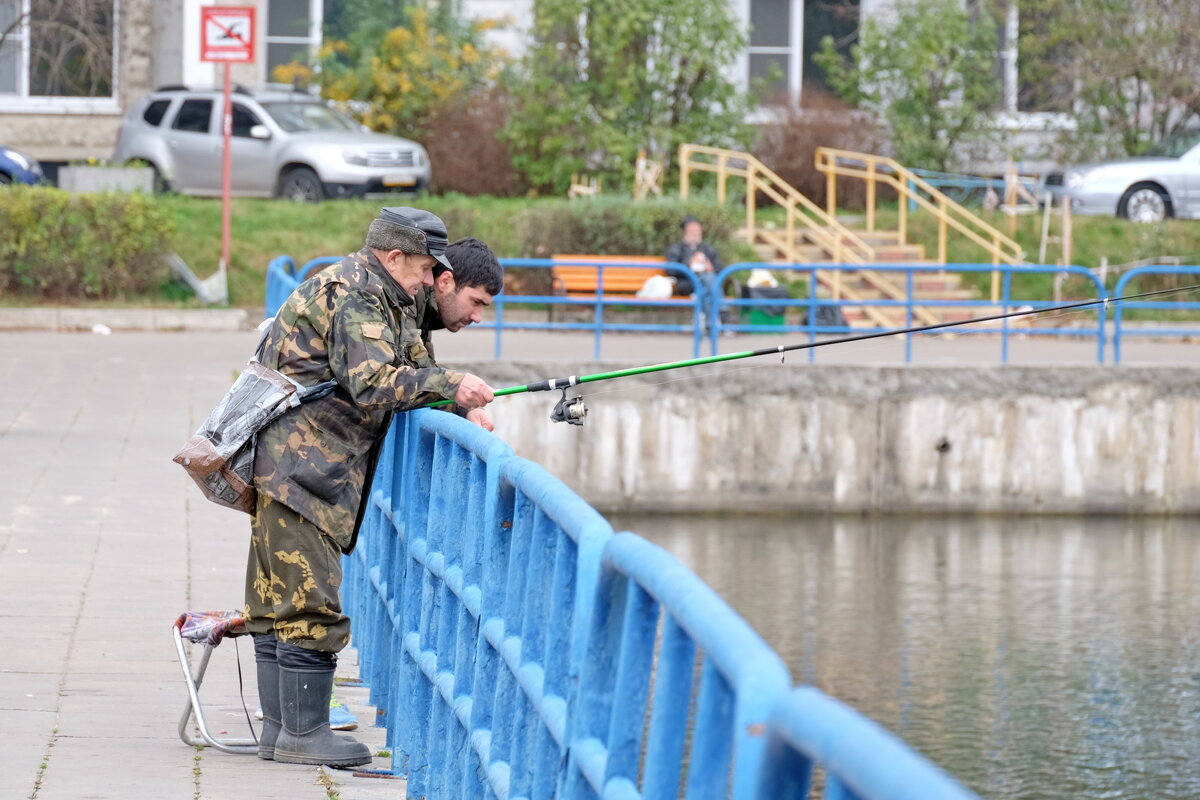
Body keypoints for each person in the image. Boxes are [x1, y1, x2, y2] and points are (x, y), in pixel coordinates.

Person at [245, 207, 495, 768]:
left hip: (295, 465)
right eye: (428, 269)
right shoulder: (357, 293)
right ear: (395, 257)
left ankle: (281, 731)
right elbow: (374, 382)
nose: (433, 282)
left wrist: (449, 399)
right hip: (302, 469)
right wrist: (454, 382)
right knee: (307, 598)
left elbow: (409, 364)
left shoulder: (384, 294)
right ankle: (303, 735)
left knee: (275, 596)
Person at [406, 236, 504, 432]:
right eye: (476, 302)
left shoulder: (425, 310)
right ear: (445, 281)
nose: (478, 318)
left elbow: (422, 372)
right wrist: (456, 386)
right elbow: (395, 378)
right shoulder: (408, 302)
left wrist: (465, 409)